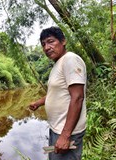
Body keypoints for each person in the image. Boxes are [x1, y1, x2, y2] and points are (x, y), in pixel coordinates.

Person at [29, 26, 87, 160]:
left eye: (51, 41)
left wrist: (65, 136)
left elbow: (77, 98)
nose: (46, 47)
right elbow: (56, 93)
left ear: (63, 41)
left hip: (67, 132)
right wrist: (38, 103)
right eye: (43, 44)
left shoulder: (70, 59)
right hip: (57, 129)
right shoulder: (58, 64)